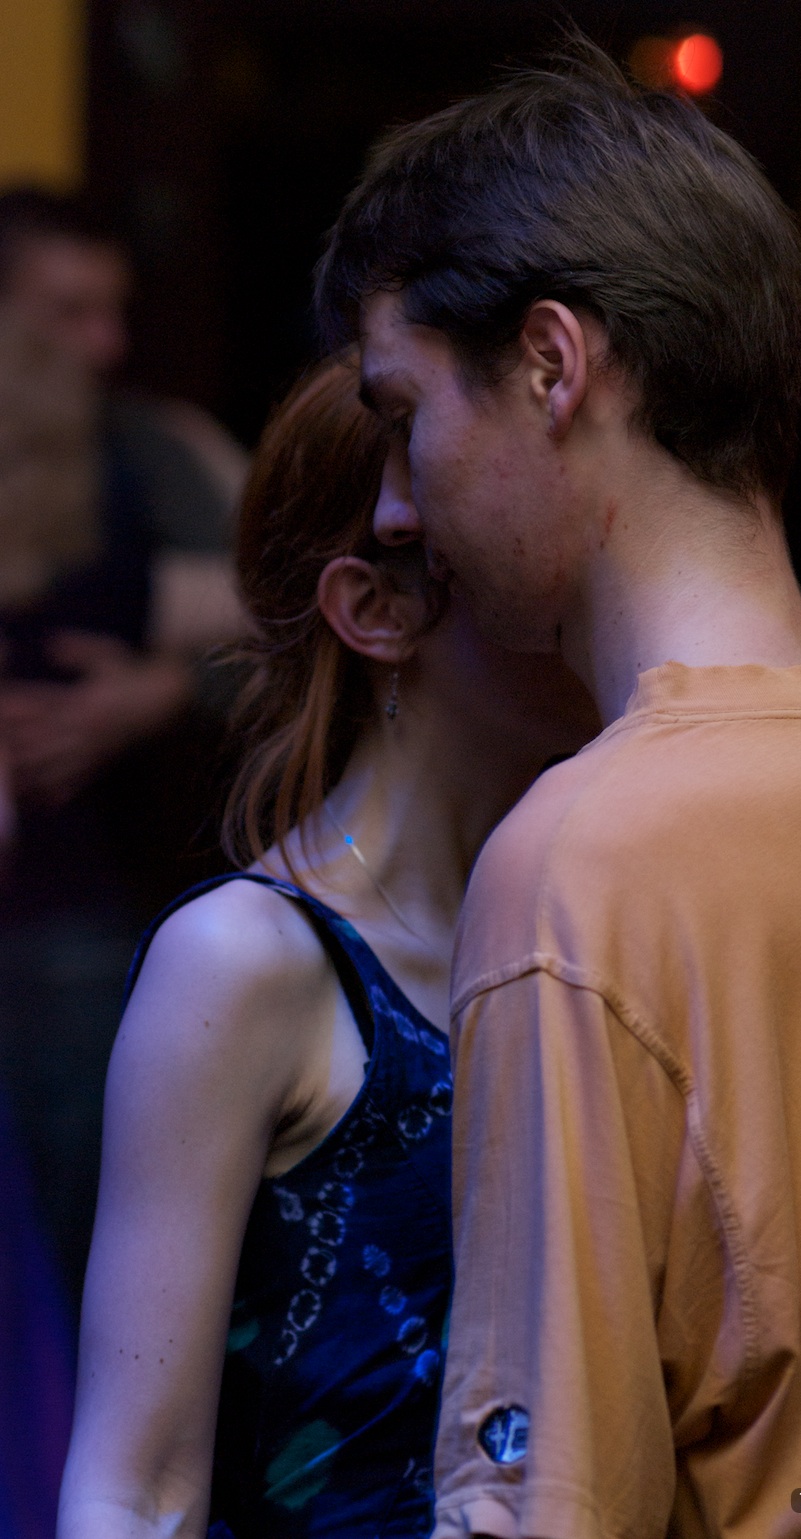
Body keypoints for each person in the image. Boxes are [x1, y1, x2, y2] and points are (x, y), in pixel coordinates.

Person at [316, 40, 801, 1538]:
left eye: (401, 413)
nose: (392, 503)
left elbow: (543, 1505)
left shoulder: (588, 858)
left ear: (551, 364)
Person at [57, 356, 597, 1539]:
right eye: (534, 536)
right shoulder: (244, 958)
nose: (597, 585)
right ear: (378, 609)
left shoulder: (592, 928)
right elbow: (131, 1494)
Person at [0, 187, 249, 1302]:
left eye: (115, 311)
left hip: (79, 927)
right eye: (68, 312)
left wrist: (160, 693)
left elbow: (309, 610)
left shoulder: (150, 454)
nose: (104, 344)